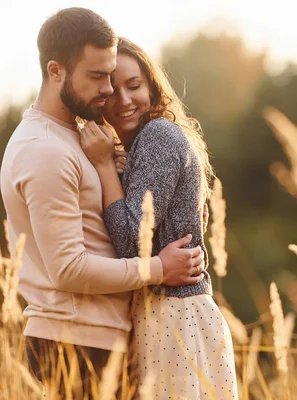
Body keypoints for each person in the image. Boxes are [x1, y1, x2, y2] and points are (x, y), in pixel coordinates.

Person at [0, 8, 206, 397]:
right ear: (55, 70)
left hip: (99, 339)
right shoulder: (44, 149)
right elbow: (68, 269)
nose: (109, 90)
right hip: (72, 342)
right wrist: (158, 268)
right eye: (97, 77)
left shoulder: (77, 137)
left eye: (108, 75)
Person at [78, 37, 238, 399]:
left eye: (133, 86)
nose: (123, 100)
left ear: (151, 85)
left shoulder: (158, 136)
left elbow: (135, 242)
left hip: (173, 315)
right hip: (170, 314)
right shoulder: (144, 145)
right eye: (110, 92)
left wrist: (103, 166)